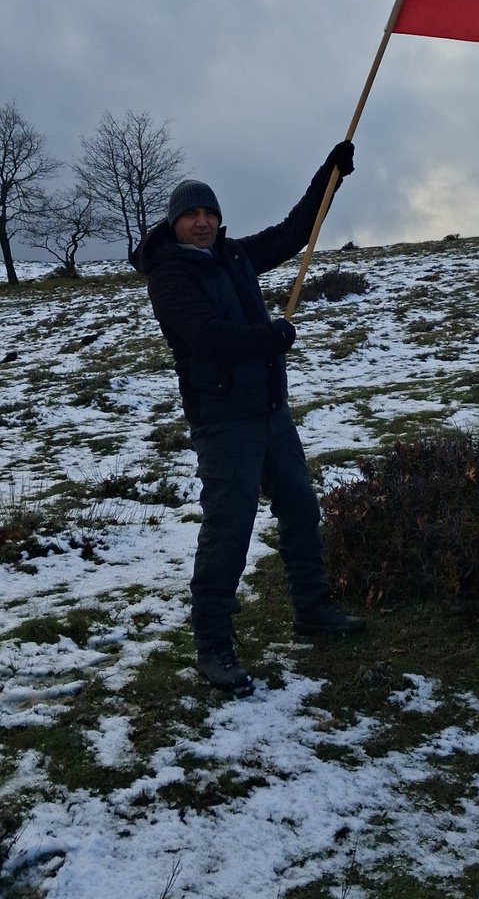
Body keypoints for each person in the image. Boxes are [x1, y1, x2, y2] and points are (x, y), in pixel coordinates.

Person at [132, 141, 365, 696]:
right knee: (228, 531)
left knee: (301, 509)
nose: (203, 220)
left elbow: (292, 234)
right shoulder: (169, 277)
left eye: (209, 212)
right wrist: (271, 336)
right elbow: (207, 337)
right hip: (222, 420)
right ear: (174, 223)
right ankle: (213, 647)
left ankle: (313, 611)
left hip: (268, 411)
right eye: (191, 213)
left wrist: (328, 174)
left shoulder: (234, 257)